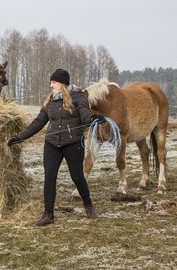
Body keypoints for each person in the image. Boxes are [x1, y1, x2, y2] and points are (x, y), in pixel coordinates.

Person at [8, 68, 105, 226]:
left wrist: (94, 118)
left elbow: (86, 116)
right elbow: (38, 122)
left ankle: (89, 207)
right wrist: (20, 137)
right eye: (51, 82)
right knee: (49, 177)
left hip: (72, 143)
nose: (51, 85)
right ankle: (48, 214)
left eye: (53, 82)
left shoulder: (79, 97)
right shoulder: (50, 101)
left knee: (77, 177)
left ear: (62, 83)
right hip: (52, 143)